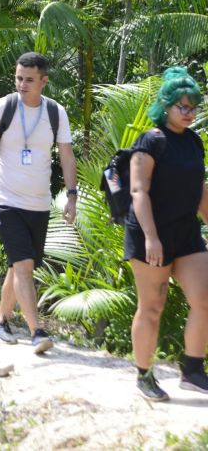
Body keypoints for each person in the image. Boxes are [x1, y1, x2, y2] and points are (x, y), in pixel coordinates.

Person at [0, 52, 77, 354]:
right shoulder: (3, 107)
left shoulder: (55, 113)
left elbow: (66, 154)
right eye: (18, 78)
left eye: (29, 79)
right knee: (24, 265)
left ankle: (0, 321)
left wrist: (72, 195)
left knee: (19, 264)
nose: (22, 84)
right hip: (6, 198)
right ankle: (37, 332)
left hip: (39, 202)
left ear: (43, 81)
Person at [124, 67, 208, 401]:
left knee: (204, 299)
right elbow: (138, 191)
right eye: (181, 107)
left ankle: (192, 370)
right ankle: (144, 375)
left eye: (193, 107)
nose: (188, 113)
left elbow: (199, 187)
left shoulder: (193, 141)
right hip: (150, 233)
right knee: (152, 306)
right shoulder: (151, 141)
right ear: (165, 106)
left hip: (186, 232)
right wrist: (151, 237)